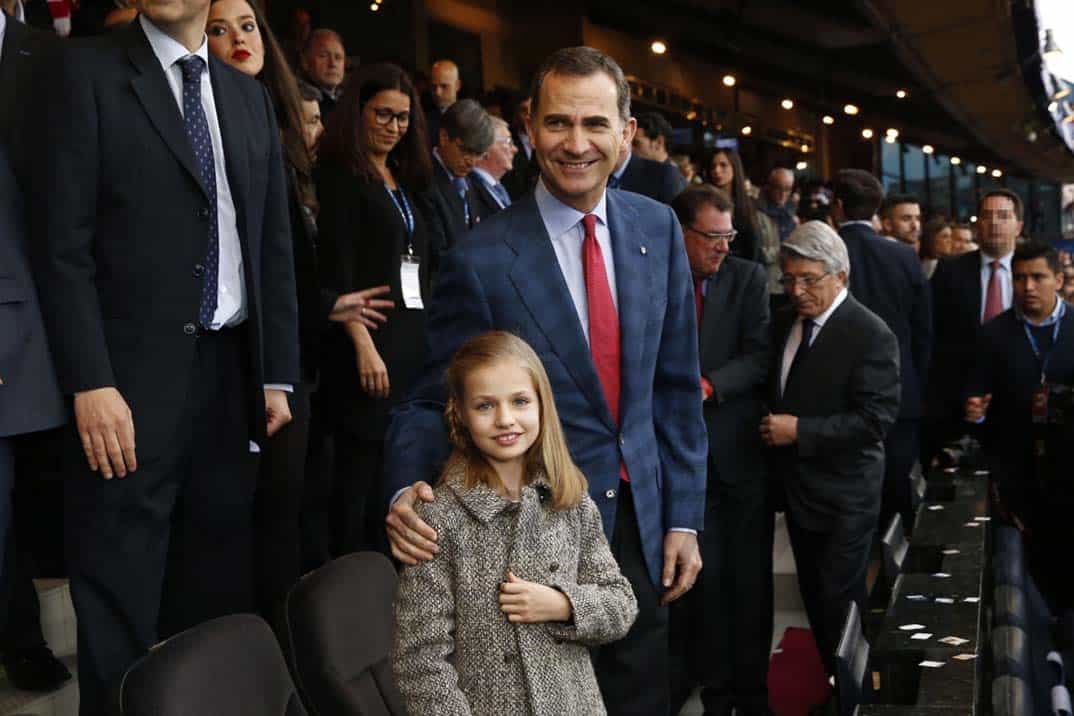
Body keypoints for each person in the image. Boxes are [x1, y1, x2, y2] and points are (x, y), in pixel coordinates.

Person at [383, 46, 706, 716]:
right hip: (527, 550)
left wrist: (683, 516)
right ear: (530, 129)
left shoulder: (659, 229)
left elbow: (676, 388)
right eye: (559, 123)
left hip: (643, 539)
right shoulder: (480, 260)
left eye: (595, 124)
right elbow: (427, 398)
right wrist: (404, 487)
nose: (577, 143)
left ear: (625, 132)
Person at [32, 3, 300, 712]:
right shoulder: (84, 72)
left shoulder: (246, 96)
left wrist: (275, 373)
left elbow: (270, 247)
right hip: (124, 388)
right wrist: (89, 379)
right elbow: (61, 246)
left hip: (230, 379)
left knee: (212, 592)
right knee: (118, 601)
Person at [205, 0, 395, 624]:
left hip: (298, 355)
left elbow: (290, 256)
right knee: (268, 524)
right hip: (254, 358)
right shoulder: (214, 127)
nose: (238, 39)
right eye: (218, 28)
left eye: (248, 25)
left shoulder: (281, 127)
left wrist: (322, 306)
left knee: (294, 514)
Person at [392, 331, 638, 715]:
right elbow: (419, 659)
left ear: (542, 405)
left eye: (520, 401)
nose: (505, 419)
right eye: (485, 406)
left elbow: (621, 603)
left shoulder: (570, 500)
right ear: (459, 413)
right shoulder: (440, 517)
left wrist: (562, 604)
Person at [762, 221, 900, 690]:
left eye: (809, 280)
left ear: (840, 276)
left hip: (845, 496)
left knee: (839, 602)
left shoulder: (869, 333)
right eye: (789, 279)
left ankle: (855, 693)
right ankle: (835, 682)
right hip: (800, 495)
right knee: (816, 600)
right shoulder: (785, 320)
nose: (797, 290)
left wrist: (800, 431)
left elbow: (874, 421)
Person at [309, 62, 434, 562]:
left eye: (403, 118)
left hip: (408, 343)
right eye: (383, 114)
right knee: (357, 485)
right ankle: (350, 598)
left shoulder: (403, 177)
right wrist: (363, 347)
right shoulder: (341, 176)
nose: (393, 127)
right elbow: (336, 278)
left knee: (396, 475)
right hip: (365, 350)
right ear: (357, 111)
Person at [668, 185, 773, 716]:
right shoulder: (658, 278)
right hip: (679, 460)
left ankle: (752, 693)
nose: (724, 248)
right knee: (701, 586)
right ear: (684, 234)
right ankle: (710, 688)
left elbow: (759, 357)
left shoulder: (748, 278)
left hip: (737, 454)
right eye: (712, 237)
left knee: (749, 583)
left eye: (729, 236)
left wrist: (709, 384)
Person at [964, 240, 1074, 606]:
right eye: (1021, 278)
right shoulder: (993, 334)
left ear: (1058, 280)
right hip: (1016, 473)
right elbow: (976, 404)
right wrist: (974, 414)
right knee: (1026, 571)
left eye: (1038, 277)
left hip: (1069, 470)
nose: (1028, 287)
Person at [832, 170, 931, 533]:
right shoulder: (905, 257)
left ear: (838, 206)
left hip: (840, 400)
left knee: (850, 510)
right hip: (900, 393)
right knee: (900, 502)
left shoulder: (828, 253)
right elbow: (923, 333)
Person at [927, 189, 1022, 464]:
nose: (994, 223)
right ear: (977, 224)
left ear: (1019, 226)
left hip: (1018, 399)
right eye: (987, 216)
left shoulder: (1032, 272)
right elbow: (934, 335)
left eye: (1003, 216)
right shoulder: (949, 271)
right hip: (957, 401)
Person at [421, 97, 495, 256]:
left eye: (478, 154)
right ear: (444, 137)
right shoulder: (423, 180)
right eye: (465, 150)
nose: (472, 161)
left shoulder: (470, 184)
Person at [704, 147, 763, 262]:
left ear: (734, 168)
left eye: (723, 165)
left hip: (740, 266)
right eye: (713, 166)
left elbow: (754, 246)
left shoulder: (747, 204)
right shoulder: (705, 201)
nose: (717, 170)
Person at [468, 115, 517, 221]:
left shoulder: (498, 187)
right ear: (485, 147)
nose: (515, 149)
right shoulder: (470, 188)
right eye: (508, 142)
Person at [609, 140, 687, 205]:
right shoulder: (599, 176)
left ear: (626, 135)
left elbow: (676, 219)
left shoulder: (663, 175)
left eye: (636, 143)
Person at [301, 28, 344, 116]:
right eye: (323, 56)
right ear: (305, 61)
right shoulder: (301, 101)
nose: (333, 64)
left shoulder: (349, 99)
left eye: (338, 57)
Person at [425, 58, 461, 148]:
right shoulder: (424, 123)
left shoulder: (474, 118)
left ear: (457, 85)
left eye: (444, 86)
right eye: (433, 87)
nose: (437, 92)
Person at [757, 166, 797, 243]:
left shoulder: (791, 207)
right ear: (769, 187)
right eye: (778, 188)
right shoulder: (758, 210)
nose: (783, 194)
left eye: (787, 189)